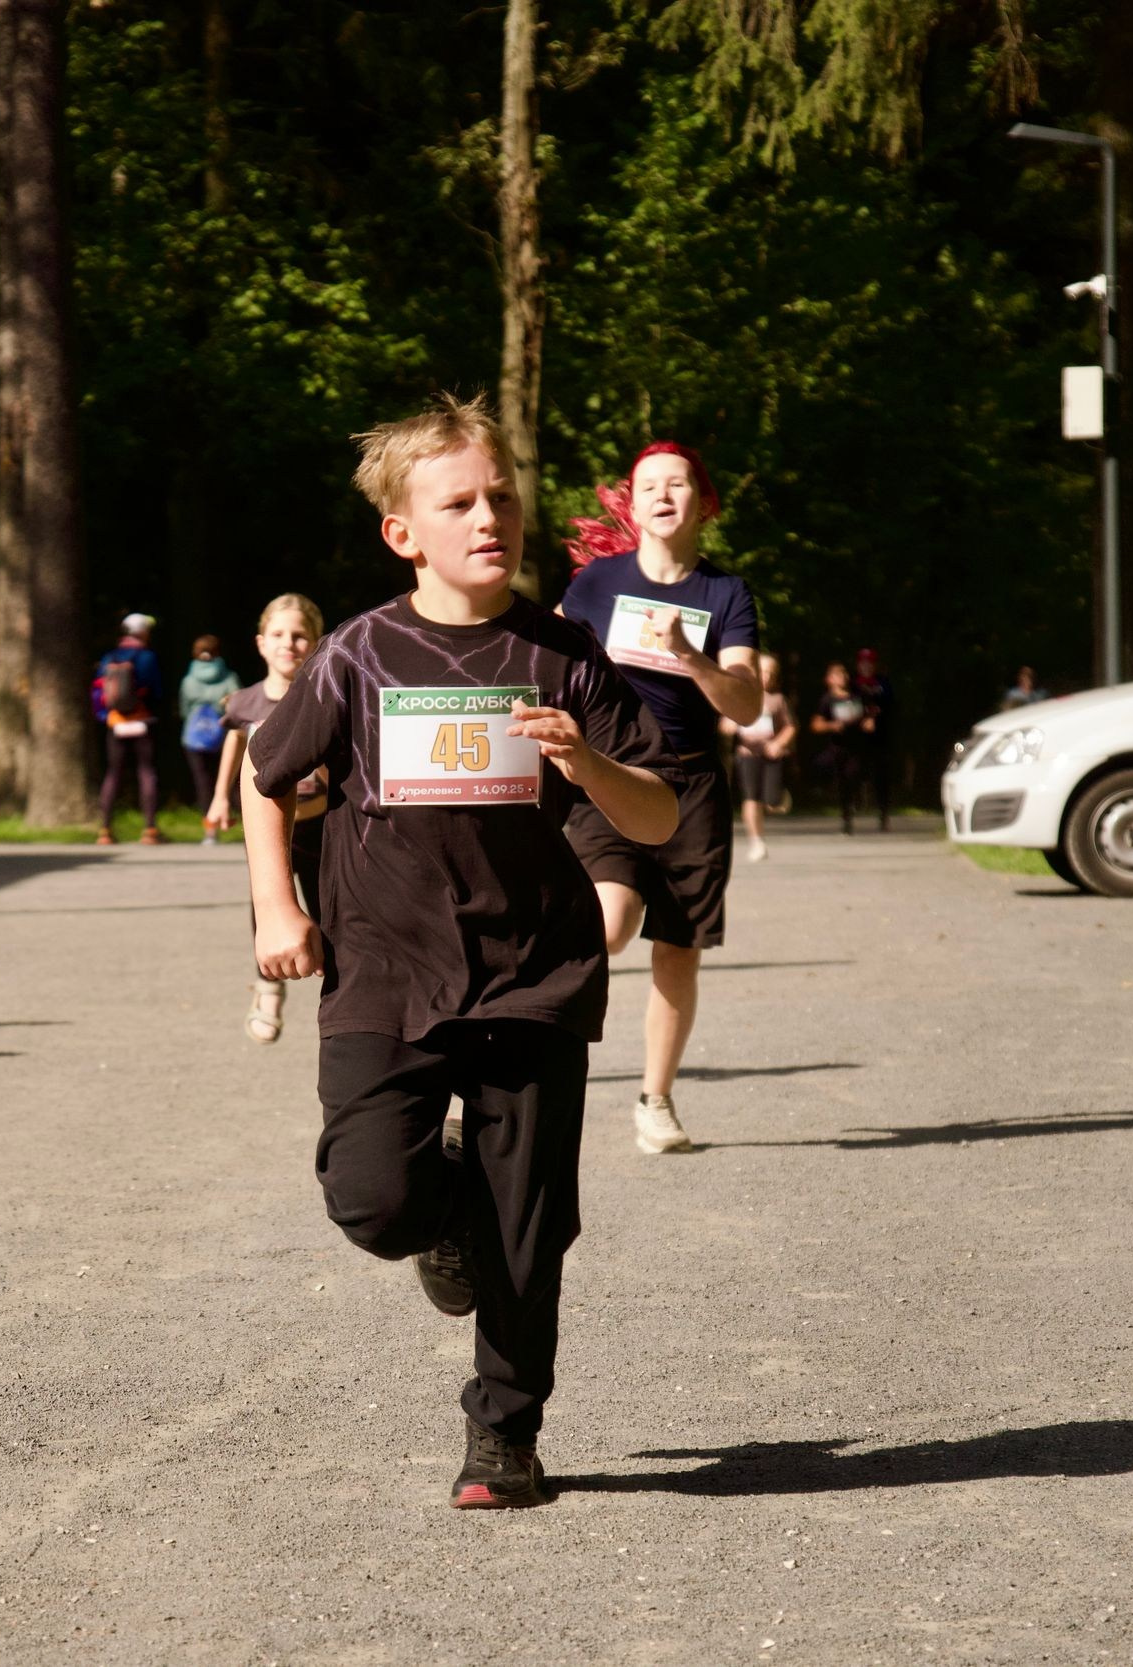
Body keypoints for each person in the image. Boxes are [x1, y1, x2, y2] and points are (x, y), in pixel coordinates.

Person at [245, 393, 677, 1510]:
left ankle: (505, 1434)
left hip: (533, 970)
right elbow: (265, 776)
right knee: (372, 1196)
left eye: (502, 495)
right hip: (383, 967)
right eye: (459, 502)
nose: (490, 515)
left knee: (529, 1224)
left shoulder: (563, 652)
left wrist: (586, 762)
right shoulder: (356, 652)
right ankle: (444, 1222)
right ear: (405, 531)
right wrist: (274, 913)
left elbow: (657, 818)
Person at [557, 441, 764, 1157]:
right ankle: (534, 1041)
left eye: (677, 483)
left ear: (702, 501)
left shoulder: (725, 594)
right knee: (610, 924)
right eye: (648, 485)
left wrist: (690, 655)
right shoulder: (595, 583)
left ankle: (655, 1099)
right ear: (631, 502)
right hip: (611, 773)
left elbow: (745, 703)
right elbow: (543, 655)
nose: (662, 494)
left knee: (678, 950)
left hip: (694, 784)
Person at [208, 593, 325, 1042]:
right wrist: (220, 798)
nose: (288, 644)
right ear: (260, 643)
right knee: (269, 900)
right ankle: (268, 987)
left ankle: (341, 989)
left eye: (299, 636)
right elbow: (234, 748)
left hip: (321, 822)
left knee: (330, 907)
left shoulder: (323, 697)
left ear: (315, 645)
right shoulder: (245, 703)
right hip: (270, 827)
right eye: (278, 634)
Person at [93, 611, 163, 845]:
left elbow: (98, 690)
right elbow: (156, 690)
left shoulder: (109, 658)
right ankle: (150, 830)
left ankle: (104, 830)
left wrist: (105, 716)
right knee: (146, 771)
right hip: (143, 721)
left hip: (116, 723)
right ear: (143, 632)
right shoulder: (147, 657)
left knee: (113, 773)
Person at [723, 650, 795, 863]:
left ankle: (776, 800)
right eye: (763, 672)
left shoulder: (778, 700)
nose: (767, 677)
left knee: (772, 801)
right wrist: (733, 723)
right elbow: (725, 727)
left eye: (771, 673)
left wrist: (779, 743)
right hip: (747, 754)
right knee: (751, 798)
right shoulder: (741, 696)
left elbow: (790, 727)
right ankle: (756, 841)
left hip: (771, 754)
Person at [178, 634, 239, 844]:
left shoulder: (188, 680)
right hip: (223, 736)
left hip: (194, 737)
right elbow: (237, 706)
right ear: (218, 652)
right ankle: (241, 823)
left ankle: (210, 831)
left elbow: (184, 710)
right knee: (227, 780)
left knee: (202, 782)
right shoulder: (229, 677)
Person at [807, 660, 873, 832]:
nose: (842, 678)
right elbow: (815, 724)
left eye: (844, 674)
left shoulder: (857, 696)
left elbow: (869, 713)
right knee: (842, 779)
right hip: (837, 747)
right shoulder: (827, 700)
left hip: (857, 746)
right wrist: (831, 726)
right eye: (837, 675)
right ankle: (846, 814)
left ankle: (858, 798)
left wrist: (868, 722)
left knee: (855, 774)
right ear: (829, 679)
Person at [853, 646, 896, 831]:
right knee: (855, 771)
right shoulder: (852, 684)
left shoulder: (883, 683)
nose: (866, 666)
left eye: (869, 663)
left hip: (881, 737)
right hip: (857, 737)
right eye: (863, 662)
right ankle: (854, 806)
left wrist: (877, 715)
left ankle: (883, 813)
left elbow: (892, 706)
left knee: (881, 775)